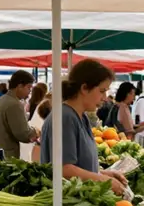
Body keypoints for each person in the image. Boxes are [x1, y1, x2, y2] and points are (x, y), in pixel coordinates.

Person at [40, 59, 128, 196]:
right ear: (84, 88)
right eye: (102, 91)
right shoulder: (65, 117)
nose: (105, 98)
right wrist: (103, 180)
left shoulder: (81, 116)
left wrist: (103, 174)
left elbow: (80, 167)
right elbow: (64, 169)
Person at [0, 70, 40, 159]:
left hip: (0, 152)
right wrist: (36, 131)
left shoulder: (2, 99)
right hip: (9, 156)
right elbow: (23, 134)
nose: (30, 92)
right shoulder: (14, 104)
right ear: (20, 86)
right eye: (29, 88)